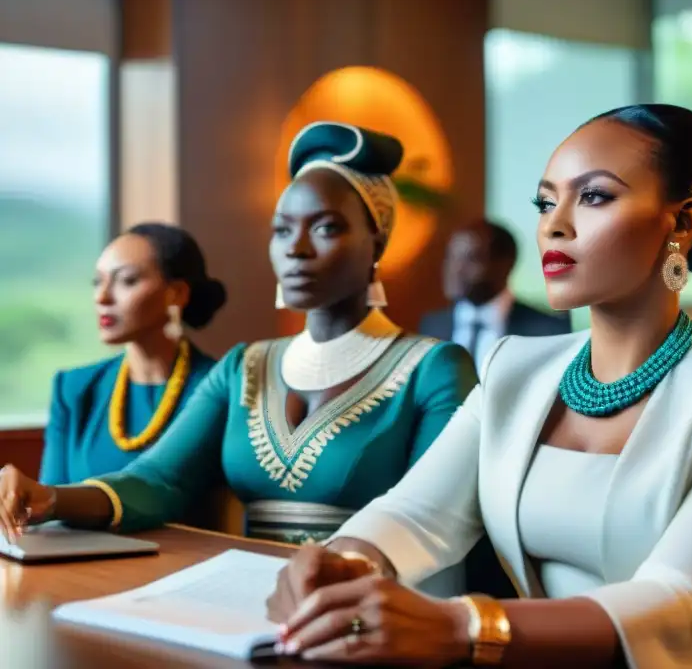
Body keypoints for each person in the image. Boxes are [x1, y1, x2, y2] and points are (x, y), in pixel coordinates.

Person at [265, 104, 692, 668]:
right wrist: (344, 561)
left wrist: (461, 627)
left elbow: (680, 605)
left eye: (593, 196)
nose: (553, 224)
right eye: (546, 201)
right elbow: (416, 515)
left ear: (682, 224)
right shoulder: (513, 368)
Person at [0, 122, 477, 553]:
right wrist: (51, 497)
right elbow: (157, 480)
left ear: (377, 241)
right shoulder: (243, 367)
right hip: (253, 605)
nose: (297, 248)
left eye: (326, 227)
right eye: (282, 230)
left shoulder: (434, 367)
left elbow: (432, 515)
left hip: (380, 609)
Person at [39, 223, 225, 484]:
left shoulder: (218, 387)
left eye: (127, 280)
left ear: (177, 293)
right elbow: (49, 503)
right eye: (97, 282)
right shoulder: (73, 389)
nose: (102, 297)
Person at [420, 219, 572, 367]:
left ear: (505, 265)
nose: (455, 269)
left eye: (471, 259)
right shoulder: (432, 327)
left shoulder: (548, 331)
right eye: (451, 257)